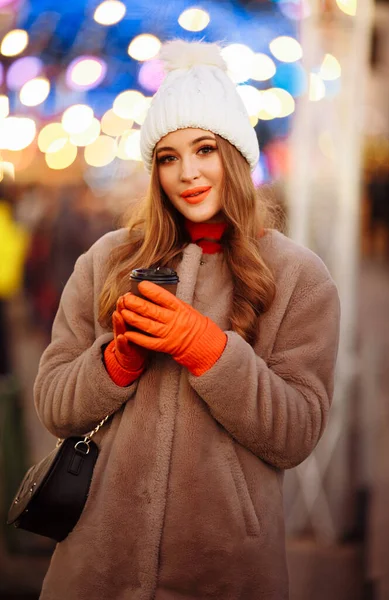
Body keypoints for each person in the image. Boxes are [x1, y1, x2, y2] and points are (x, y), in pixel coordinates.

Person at [34, 40, 340, 600]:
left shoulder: (299, 275)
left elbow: (297, 433)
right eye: (168, 157)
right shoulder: (107, 259)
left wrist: (211, 352)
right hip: (95, 571)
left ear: (237, 157)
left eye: (204, 150)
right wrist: (116, 363)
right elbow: (54, 405)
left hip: (224, 575)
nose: (188, 173)